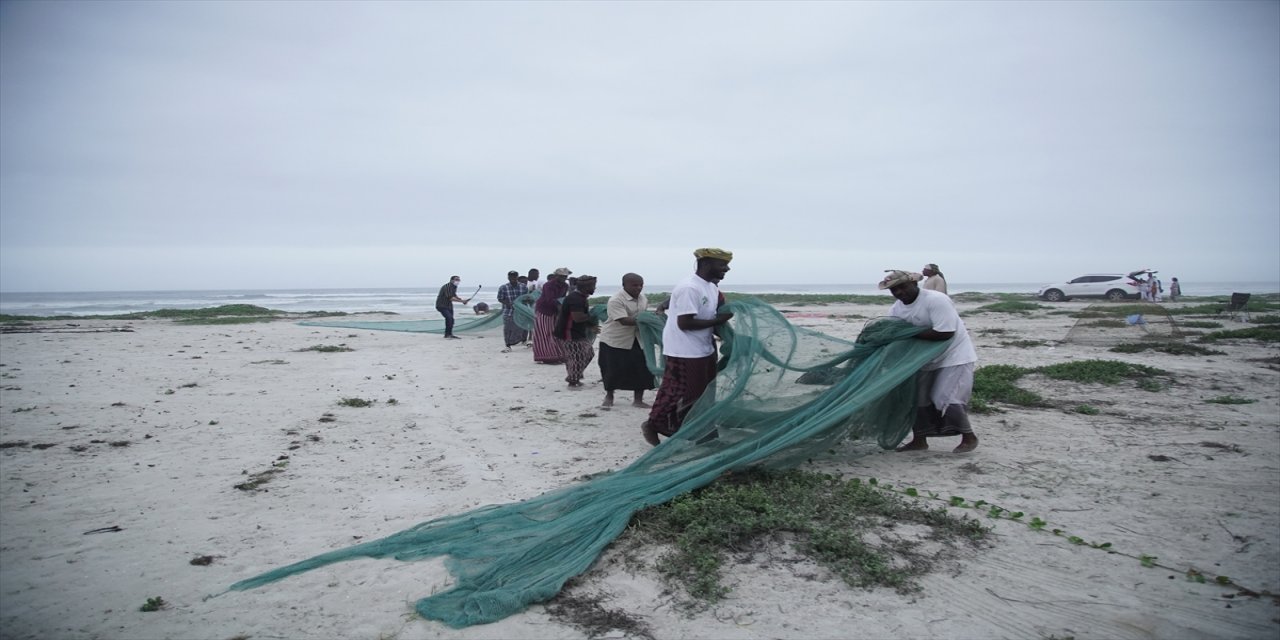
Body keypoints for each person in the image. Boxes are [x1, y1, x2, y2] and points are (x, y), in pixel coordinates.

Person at [641, 248, 734, 446]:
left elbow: (709, 317)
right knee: (679, 391)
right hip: (683, 350)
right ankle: (653, 424)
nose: (727, 269)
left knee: (703, 393)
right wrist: (719, 319)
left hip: (704, 348)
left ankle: (699, 431)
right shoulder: (690, 288)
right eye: (722, 264)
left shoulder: (711, 288)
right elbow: (685, 323)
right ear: (706, 263)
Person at [880, 270, 980, 453]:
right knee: (917, 398)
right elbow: (895, 333)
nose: (900, 292)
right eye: (894, 290)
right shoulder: (896, 309)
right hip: (924, 359)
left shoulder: (935, 300)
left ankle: (969, 437)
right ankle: (920, 440)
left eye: (903, 287)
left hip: (954, 355)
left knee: (946, 397)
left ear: (914, 283)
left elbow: (945, 333)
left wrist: (908, 333)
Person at [599, 273, 655, 408]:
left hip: (638, 339)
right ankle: (609, 396)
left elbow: (644, 314)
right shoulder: (616, 300)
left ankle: (638, 400)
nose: (638, 288)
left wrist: (652, 319)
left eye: (641, 285)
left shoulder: (643, 299)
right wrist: (648, 320)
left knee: (641, 368)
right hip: (615, 340)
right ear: (624, 285)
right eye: (634, 285)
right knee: (612, 369)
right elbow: (623, 320)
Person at [554, 274, 599, 388]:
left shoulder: (580, 297)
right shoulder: (576, 299)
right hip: (568, 332)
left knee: (588, 353)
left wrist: (590, 325)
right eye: (593, 286)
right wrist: (593, 315)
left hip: (577, 331)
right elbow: (577, 317)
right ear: (586, 287)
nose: (594, 288)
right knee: (577, 356)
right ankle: (573, 380)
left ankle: (574, 375)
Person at [532, 267, 571, 364]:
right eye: (561, 276)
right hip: (544, 310)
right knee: (545, 333)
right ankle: (547, 357)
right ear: (556, 276)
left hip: (555, 310)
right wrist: (560, 308)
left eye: (565, 276)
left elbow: (562, 298)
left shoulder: (565, 285)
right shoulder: (548, 285)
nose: (563, 278)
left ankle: (558, 355)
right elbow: (549, 299)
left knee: (556, 333)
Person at [497, 270, 529, 352]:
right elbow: (500, 298)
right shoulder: (503, 287)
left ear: (517, 277)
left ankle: (521, 341)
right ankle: (507, 346)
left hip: (521, 312)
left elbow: (526, 298)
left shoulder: (523, 287)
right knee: (507, 329)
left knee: (520, 329)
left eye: (514, 276)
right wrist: (508, 303)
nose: (513, 278)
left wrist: (521, 304)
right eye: (511, 276)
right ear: (508, 277)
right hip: (508, 311)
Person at [435, 275, 468, 339]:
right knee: (449, 318)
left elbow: (454, 295)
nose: (458, 281)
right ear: (451, 280)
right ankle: (447, 335)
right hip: (441, 305)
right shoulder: (448, 286)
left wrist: (461, 299)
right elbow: (451, 298)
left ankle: (449, 334)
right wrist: (462, 301)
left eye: (459, 280)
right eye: (456, 279)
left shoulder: (454, 287)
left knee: (451, 320)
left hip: (449, 305)